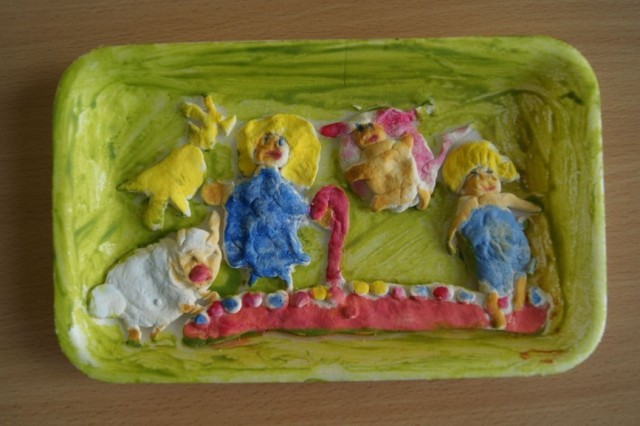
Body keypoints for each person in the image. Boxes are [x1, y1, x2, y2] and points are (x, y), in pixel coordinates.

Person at [443, 141, 542, 329]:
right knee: (490, 275)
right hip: (487, 247)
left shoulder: (502, 197)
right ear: (462, 186)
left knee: (520, 263)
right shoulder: (470, 202)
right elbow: (459, 220)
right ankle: (493, 305)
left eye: (490, 171)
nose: (485, 178)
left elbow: (519, 203)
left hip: (512, 240)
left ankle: (520, 294)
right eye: (474, 174)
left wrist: (537, 208)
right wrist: (450, 238)